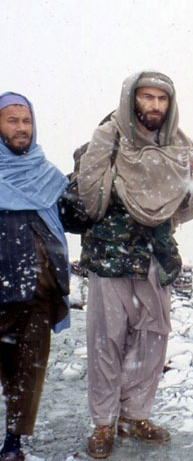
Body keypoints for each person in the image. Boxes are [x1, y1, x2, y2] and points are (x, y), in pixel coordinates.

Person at [77, 71, 193, 458]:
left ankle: (135, 415)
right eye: (147, 97)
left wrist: (160, 211)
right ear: (132, 98)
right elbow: (90, 195)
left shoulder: (181, 144)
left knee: (152, 338)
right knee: (107, 340)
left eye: (161, 99)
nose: (154, 106)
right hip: (111, 255)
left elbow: (191, 200)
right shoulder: (109, 136)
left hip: (155, 254)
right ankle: (104, 422)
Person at [0, 92, 70, 461]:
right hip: (2, 288)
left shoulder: (47, 175)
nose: (21, 128)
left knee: (29, 371)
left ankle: (13, 442)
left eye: (26, 121)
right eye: (12, 120)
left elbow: (76, 215)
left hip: (40, 290)